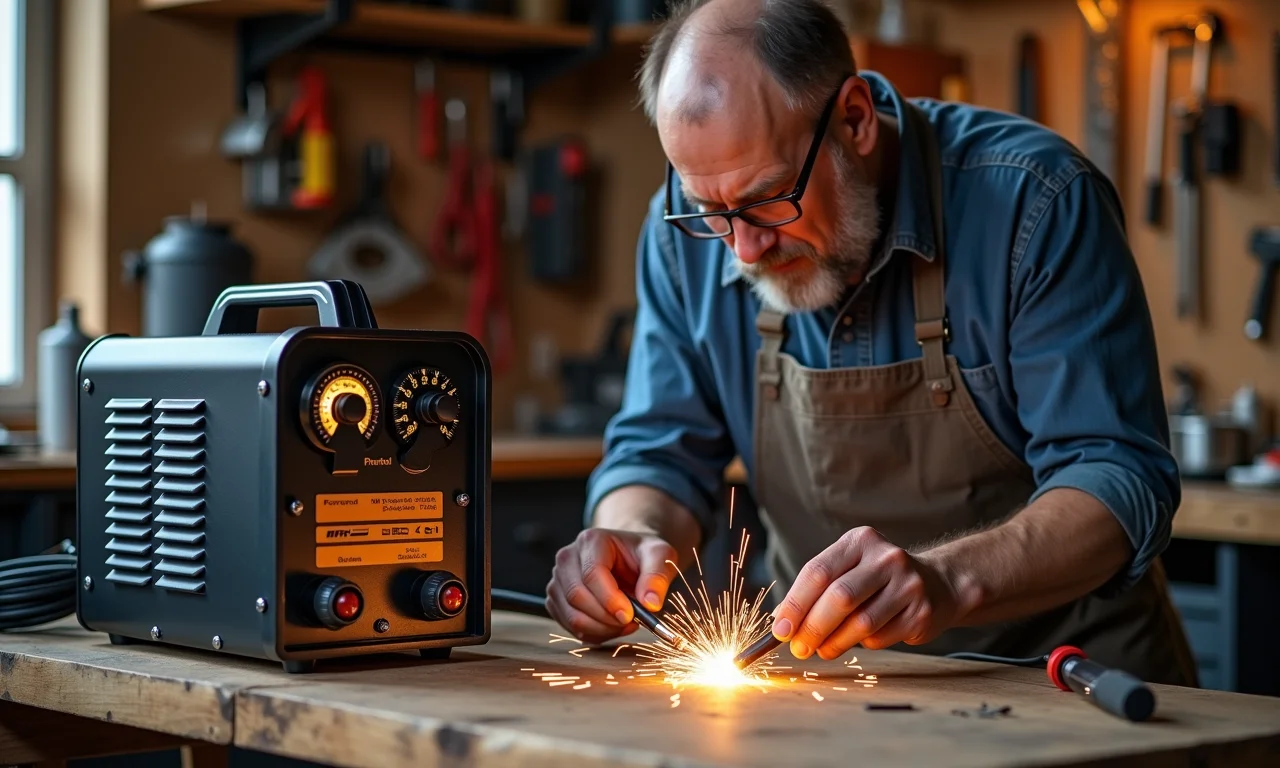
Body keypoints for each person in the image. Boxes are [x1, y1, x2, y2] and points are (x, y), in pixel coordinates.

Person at [544, 0, 1197, 687]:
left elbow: (1118, 481)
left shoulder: (1035, 203)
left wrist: (948, 580)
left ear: (854, 118)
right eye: (712, 212)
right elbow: (658, 452)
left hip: (1071, 687)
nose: (744, 247)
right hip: (832, 695)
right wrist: (631, 536)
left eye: (768, 199)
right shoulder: (686, 241)